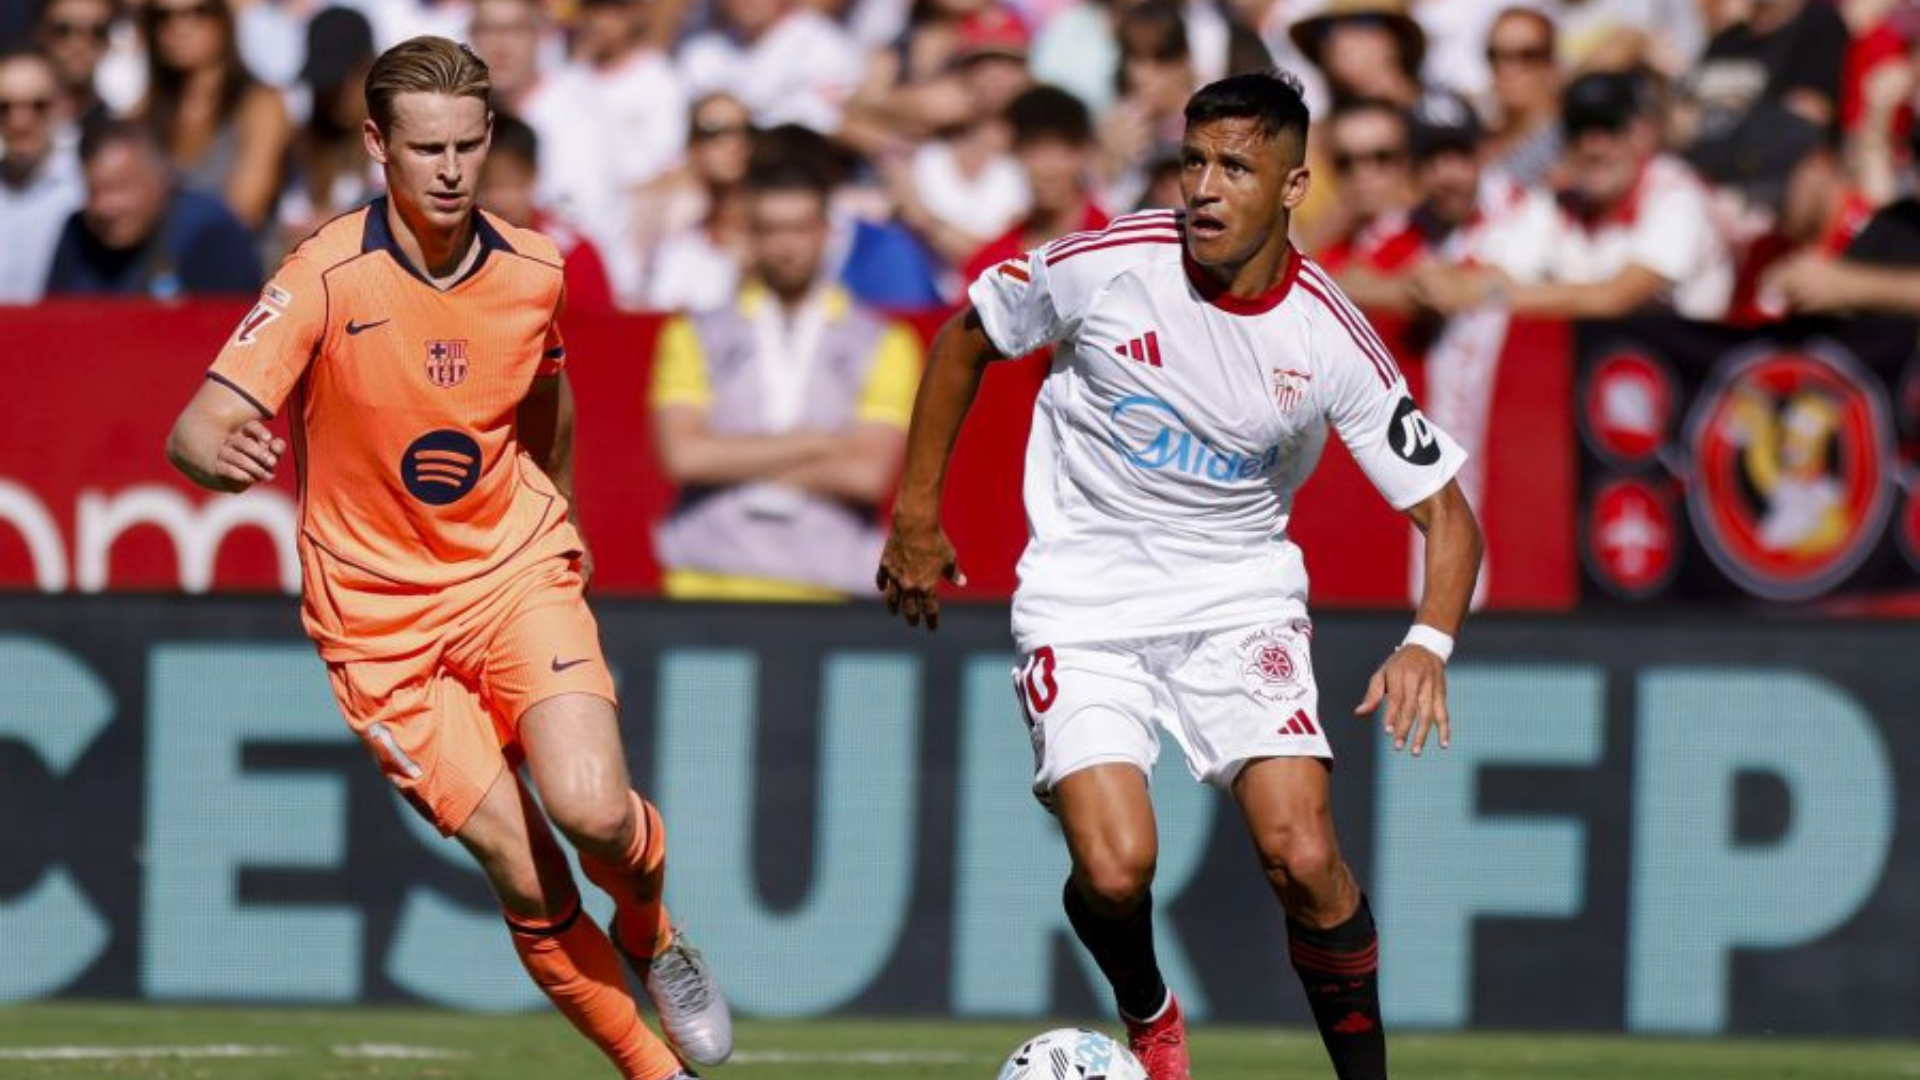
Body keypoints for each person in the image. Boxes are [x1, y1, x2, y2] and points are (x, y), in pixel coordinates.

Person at [878, 69, 1482, 1080]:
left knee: (1305, 858)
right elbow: (966, 339)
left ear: (1292, 186)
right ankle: (1151, 1013)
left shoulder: (1329, 332)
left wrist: (1429, 641)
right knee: (1115, 872)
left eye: (1235, 167)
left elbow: (1446, 514)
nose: (1203, 187)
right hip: (1083, 595)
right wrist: (914, 516)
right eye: (1193, 160)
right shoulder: (1108, 264)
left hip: (1238, 597)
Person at [161, 37, 730, 1080]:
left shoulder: (533, 270)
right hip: (380, 623)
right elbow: (195, 427)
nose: (454, 170)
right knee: (524, 865)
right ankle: (651, 1071)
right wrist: (218, 453)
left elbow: (543, 400)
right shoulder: (324, 274)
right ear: (378, 144)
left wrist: (562, 515)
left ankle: (650, 930)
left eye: (470, 145)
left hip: (511, 571)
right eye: (428, 149)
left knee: (596, 808)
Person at [650, 156, 921, 599]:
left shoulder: (885, 341)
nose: (786, 246)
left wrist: (731, 456)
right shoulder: (693, 333)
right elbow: (684, 457)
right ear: (750, 236)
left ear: (826, 232)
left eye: (799, 228)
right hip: (708, 581)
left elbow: (868, 473)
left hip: (831, 585)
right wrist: (817, 441)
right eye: (771, 230)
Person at [1410, 70, 1733, 321]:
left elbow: (1616, 298)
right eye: (1578, 132)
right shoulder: (1559, 204)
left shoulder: (1676, 194)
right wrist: (1444, 285)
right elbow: (1500, 271)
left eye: (1608, 129)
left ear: (1641, 134)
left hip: (1696, 384)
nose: (1592, 146)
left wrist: (1490, 296)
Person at [44, 115, 262, 296]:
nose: (105, 206)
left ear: (162, 179)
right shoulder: (77, 233)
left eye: (120, 187)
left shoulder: (212, 233)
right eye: (93, 191)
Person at [136, 0, 290, 231]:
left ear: (223, 20)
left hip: (240, 260)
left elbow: (244, 210)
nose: (180, 27)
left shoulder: (261, 106)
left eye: (199, 12)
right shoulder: (142, 113)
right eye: (163, 16)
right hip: (158, 262)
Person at [480, 112, 618, 313]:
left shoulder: (573, 254)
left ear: (533, 175)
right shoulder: (443, 254)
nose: (498, 199)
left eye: (509, 183)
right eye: (484, 186)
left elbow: (598, 334)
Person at [0, 46, 84, 303]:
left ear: (62, 106)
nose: (20, 122)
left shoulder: (85, 188)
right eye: (5, 107)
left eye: (38, 106)